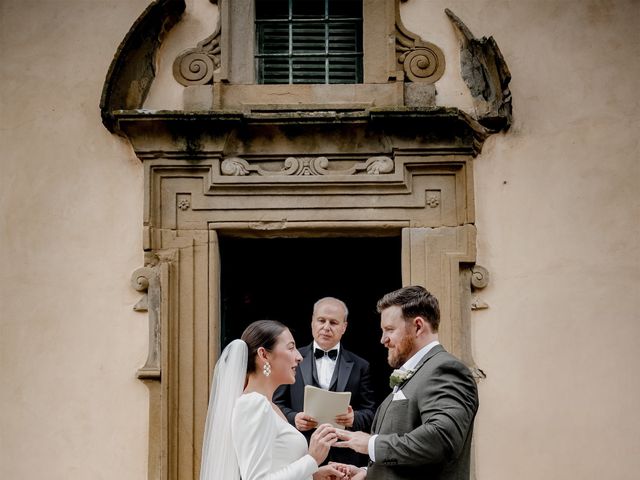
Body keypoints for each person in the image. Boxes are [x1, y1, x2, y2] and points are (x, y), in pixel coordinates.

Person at [334, 286, 479, 480]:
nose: (383, 340)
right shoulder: (418, 372)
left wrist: (371, 445)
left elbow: (442, 438)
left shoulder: (445, 369)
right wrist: (368, 473)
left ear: (418, 326)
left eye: (389, 330)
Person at [199, 319, 351, 480]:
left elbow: (277, 468)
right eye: (291, 348)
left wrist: (313, 475)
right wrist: (312, 460)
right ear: (264, 355)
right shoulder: (253, 404)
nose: (299, 357)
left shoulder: (271, 406)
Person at [273, 297, 376, 467]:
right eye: (321, 320)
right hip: (299, 454)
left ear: (344, 327)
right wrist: (294, 418)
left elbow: (372, 412)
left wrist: (353, 418)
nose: (326, 327)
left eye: (333, 322)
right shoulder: (291, 358)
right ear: (312, 322)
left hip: (345, 458)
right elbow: (276, 403)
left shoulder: (361, 366)